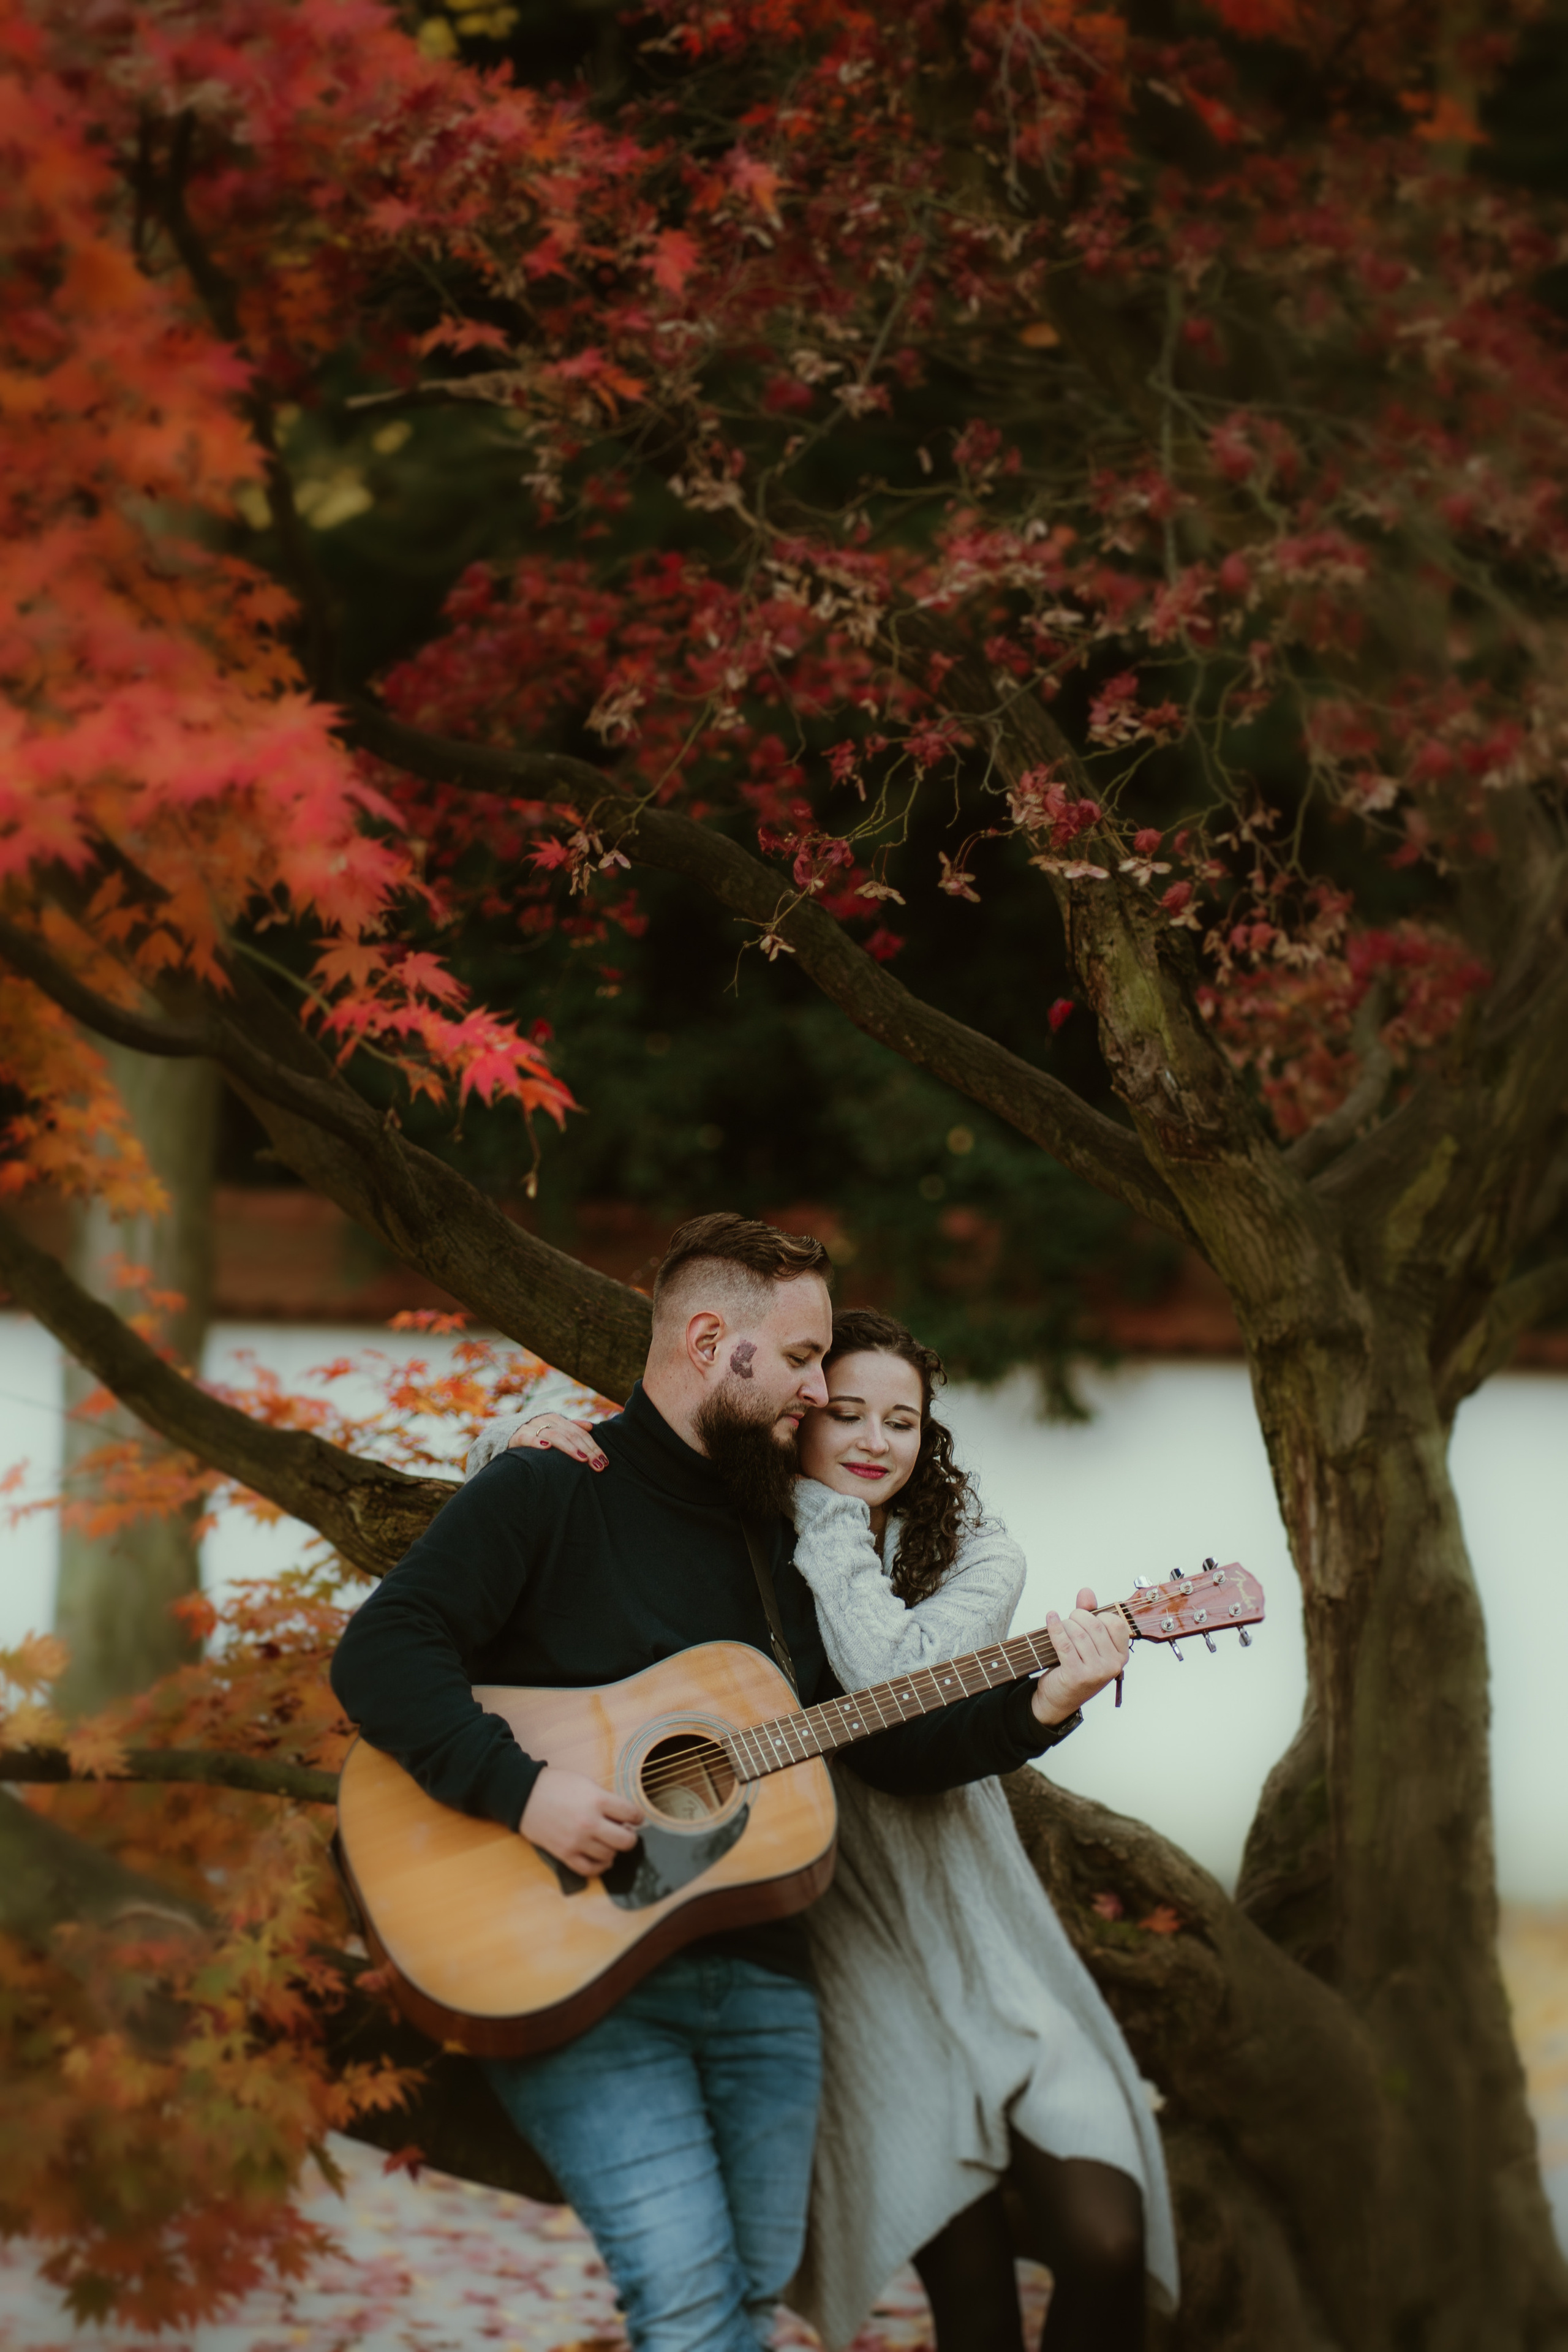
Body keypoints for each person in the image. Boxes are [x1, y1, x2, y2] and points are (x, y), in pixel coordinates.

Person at [331, 1218, 1130, 2352]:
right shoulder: (554, 1486)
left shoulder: (779, 1535)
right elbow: (381, 1652)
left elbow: (877, 1745)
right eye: (804, 1360)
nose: (820, 1387)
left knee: (745, 2303)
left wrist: (1039, 1703)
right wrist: (525, 1794)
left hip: (761, 1979)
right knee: (696, 2309)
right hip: (574, 1974)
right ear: (713, 1341)